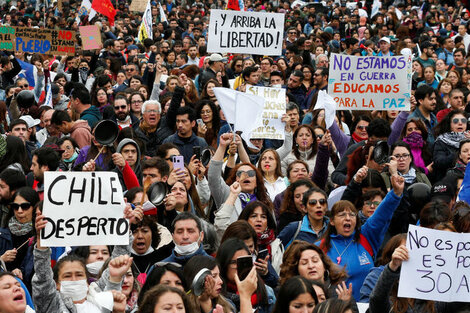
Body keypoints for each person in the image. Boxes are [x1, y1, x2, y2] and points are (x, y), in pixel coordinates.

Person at [318, 173, 404, 301]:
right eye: (342, 215)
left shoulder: (366, 237)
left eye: (352, 215)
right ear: (331, 221)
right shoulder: (319, 247)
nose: (348, 218)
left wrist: (395, 193)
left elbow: (380, 216)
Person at [216, 238, 275, 313]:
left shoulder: (267, 291)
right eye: (234, 262)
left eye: (244, 261)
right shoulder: (218, 297)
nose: (239, 266)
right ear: (224, 265)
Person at [433, 110, 470, 182]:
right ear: (450, 124)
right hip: (448, 181)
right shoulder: (441, 141)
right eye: (456, 121)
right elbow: (439, 162)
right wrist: (460, 151)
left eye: (463, 121)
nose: (460, 123)